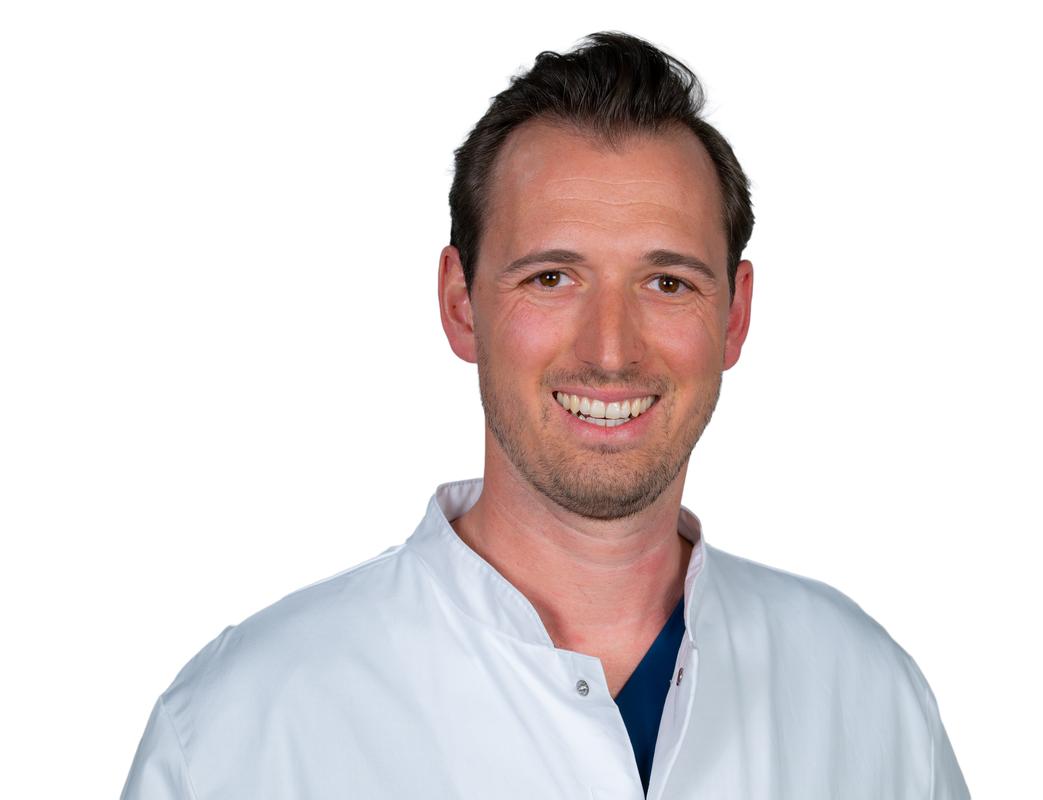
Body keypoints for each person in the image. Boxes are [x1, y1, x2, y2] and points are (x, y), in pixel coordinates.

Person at [121, 31, 970, 800]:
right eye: (552, 278)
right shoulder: (240, 732)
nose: (611, 350)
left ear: (734, 317)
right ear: (461, 304)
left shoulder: (867, 697)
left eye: (666, 282)